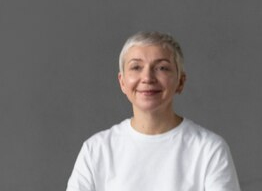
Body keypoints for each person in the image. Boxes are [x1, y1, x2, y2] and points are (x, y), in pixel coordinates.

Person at [67, 31, 240, 191]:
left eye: (162, 68)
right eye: (136, 67)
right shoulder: (96, 149)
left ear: (180, 81)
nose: (148, 78)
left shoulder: (209, 149)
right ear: (122, 82)